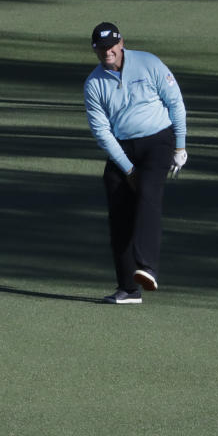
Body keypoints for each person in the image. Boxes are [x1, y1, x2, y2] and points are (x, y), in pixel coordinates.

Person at [83, 22, 187, 304]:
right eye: (101, 48)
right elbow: (102, 132)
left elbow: (175, 102)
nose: (107, 52)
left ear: (121, 43)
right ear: (95, 49)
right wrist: (127, 169)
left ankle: (147, 267)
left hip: (158, 140)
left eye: (111, 46)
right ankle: (128, 289)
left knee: (148, 195)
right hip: (122, 148)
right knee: (119, 215)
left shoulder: (149, 63)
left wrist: (180, 146)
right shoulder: (94, 84)